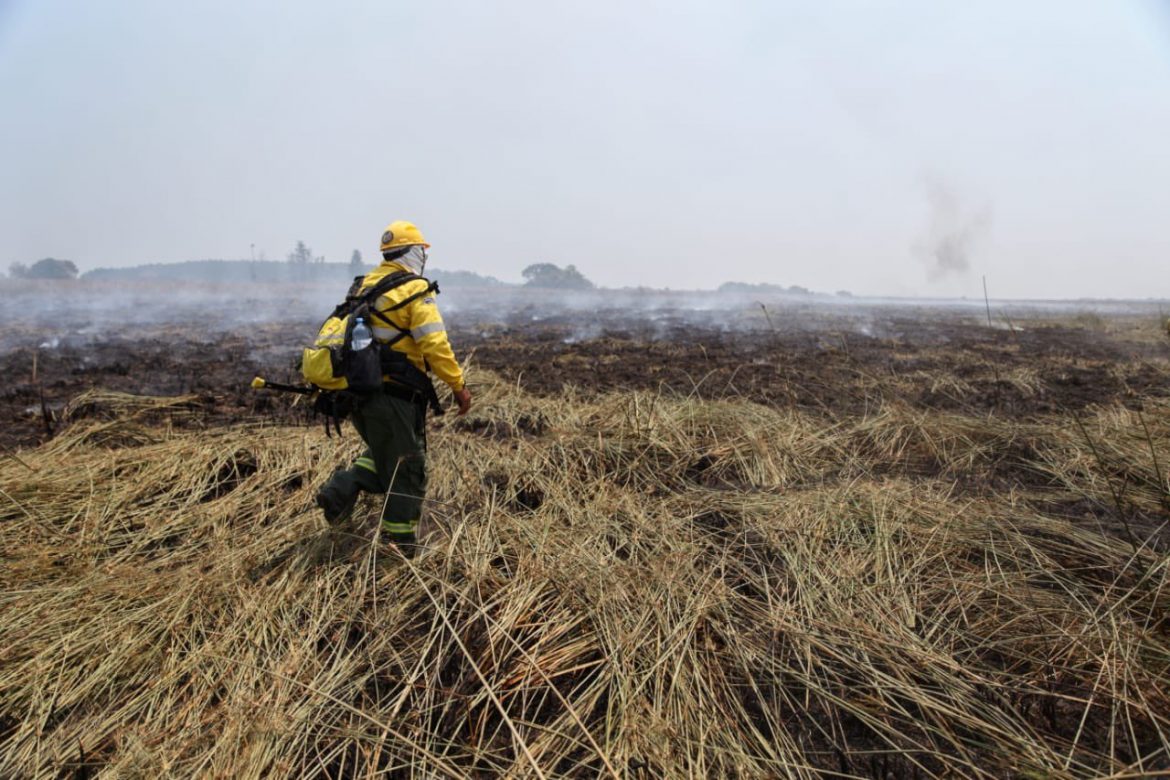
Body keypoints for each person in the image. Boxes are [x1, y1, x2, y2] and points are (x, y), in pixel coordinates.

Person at [315, 220, 472, 557]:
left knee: (385, 453)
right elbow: (434, 344)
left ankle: (344, 487)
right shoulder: (413, 288)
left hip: (359, 395)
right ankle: (398, 549)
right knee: (407, 468)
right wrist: (458, 386)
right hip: (394, 396)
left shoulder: (364, 285)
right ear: (415, 252)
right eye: (422, 251)